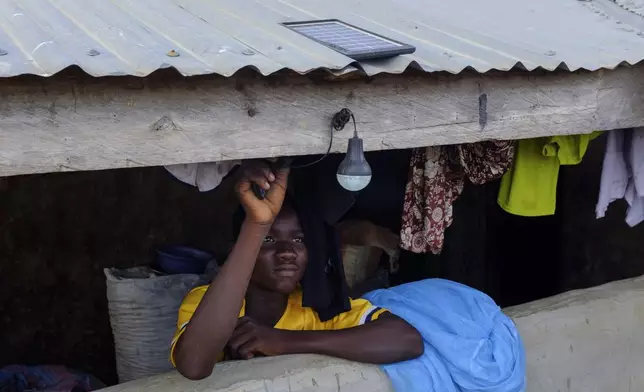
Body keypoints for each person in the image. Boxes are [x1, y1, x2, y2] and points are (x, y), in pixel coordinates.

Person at [171, 162, 423, 380]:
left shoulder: (318, 305)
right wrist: (257, 224)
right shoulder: (209, 302)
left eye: (299, 240)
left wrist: (281, 341)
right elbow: (193, 366)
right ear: (237, 248)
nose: (287, 252)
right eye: (268, 240)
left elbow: (406, 340)